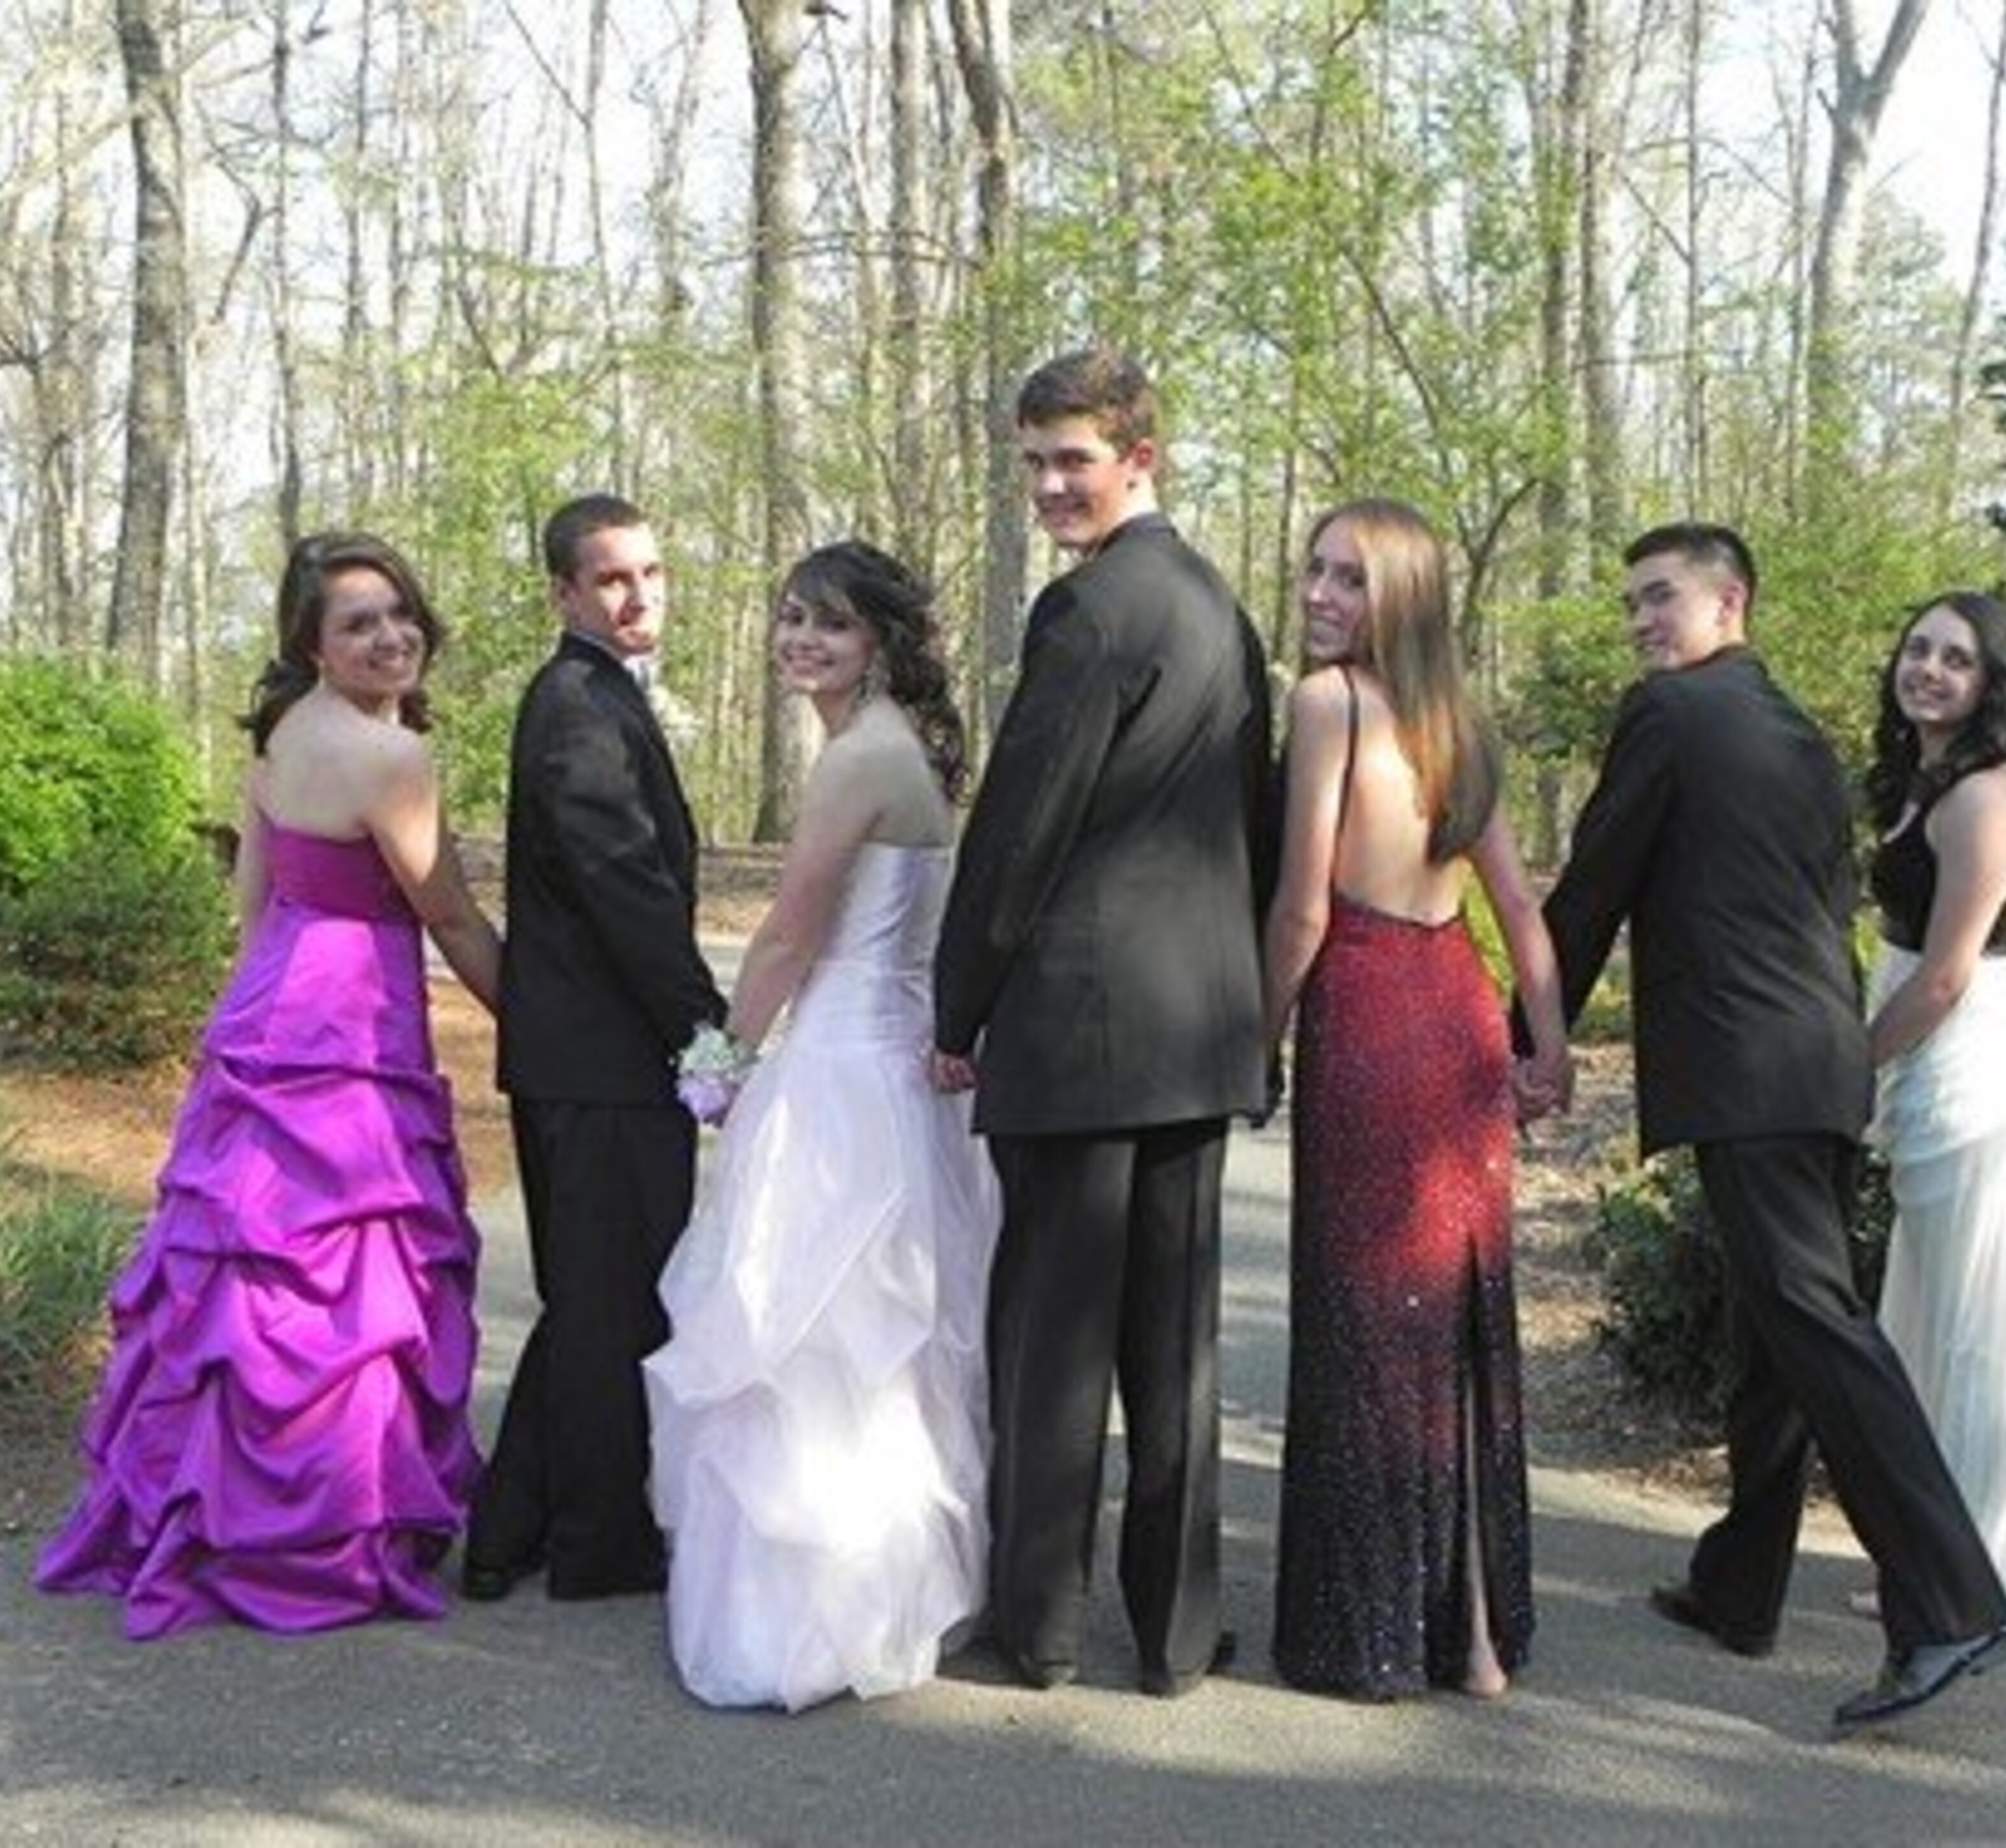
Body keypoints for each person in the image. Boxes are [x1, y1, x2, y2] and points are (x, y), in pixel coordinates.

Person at [1539, 522, 2006, 1735]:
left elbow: (1595, 882)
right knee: (1774, 1331)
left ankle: (1954, 1604)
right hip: (1818, 1066)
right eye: (1634, 603)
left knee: (1815, 1325)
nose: (1644, 622)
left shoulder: (1672, 719)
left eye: (1663, 598)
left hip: (1752, 1074)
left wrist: (1519, 1034)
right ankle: (1741, 1582)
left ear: (1730, 602)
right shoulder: (1794, 729)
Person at [37, 531, 500, 1639]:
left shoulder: (283, 735)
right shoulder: (391, 761)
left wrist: (241, 1038)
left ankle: (209, 1509)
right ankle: (321, 1527)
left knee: (245, 1267)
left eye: (399, 613)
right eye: (358, 623)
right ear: (313, 643)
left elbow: (252, 906)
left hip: (270, 1007)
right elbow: (450, 916)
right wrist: (538, 1029)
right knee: (340, 1275)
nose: (390, 636)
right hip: (347, 1020)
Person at [930, 346, 1273, 1697]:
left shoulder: (1091, 616)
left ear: (1145, 455)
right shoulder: (1219, 610)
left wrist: (961, 1002)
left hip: (1081, 1034)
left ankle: (1042, 1628)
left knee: (1056, 1345)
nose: (1050, 487)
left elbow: (1021, 829)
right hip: (1198, 1035)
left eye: (1073, 458)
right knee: (1171, 1353)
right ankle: (1179, 1637)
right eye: (1033, 463)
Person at [644, 542, 1000, 1711]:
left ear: (882, 641)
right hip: (890, 1071)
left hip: (843, 1076)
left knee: (814, 1345)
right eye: (793, 616)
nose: (805, 640)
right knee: (878, 1352)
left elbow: (791, 937)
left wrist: (721, 1061)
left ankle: (799, 1618)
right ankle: (880, 1598)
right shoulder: (901, 750)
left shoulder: (861, 760)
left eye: (833, 625)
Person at [1262, 499, 1573, 1702]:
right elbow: (1521, 913)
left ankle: (1379, 1634)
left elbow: (1300, 910)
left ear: (1400, 600)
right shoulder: (1457, 723)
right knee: (1454, 1321)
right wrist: (1544, 1050)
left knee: (1366, 1325)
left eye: (1349, 581)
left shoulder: (1326, 704)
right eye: (1315, 572)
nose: (1321, 597)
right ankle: (1479, 1637)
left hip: (1374, 1015)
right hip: (1461, 1018)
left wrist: (1260, 1040)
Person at [463, 493, 727, 1604]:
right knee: (611, 1301)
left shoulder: (599, 695)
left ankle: (509, 1530)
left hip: (591, 1056)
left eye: (652, 573)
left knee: (594, 1295)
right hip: (600, 1061)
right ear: (564, 592)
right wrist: (707, 1038)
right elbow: (625, 891)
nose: (639, 595)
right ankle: (597, 1546)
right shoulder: (575, 706)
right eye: (613, 578)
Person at [1863, 592, 2006, 1638]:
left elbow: (1948, 977)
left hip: (1973, 1069)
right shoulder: (1923, 777)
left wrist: (1850, 1066)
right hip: (1925, 1041)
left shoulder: (1985, 796)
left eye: (1956, 660)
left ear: (1991, 684)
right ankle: (1935, 1554)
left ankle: (1991, 1576)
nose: (1930, 671)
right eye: (1918, 651)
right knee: (1932, 1311)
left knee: (1983, 1328)